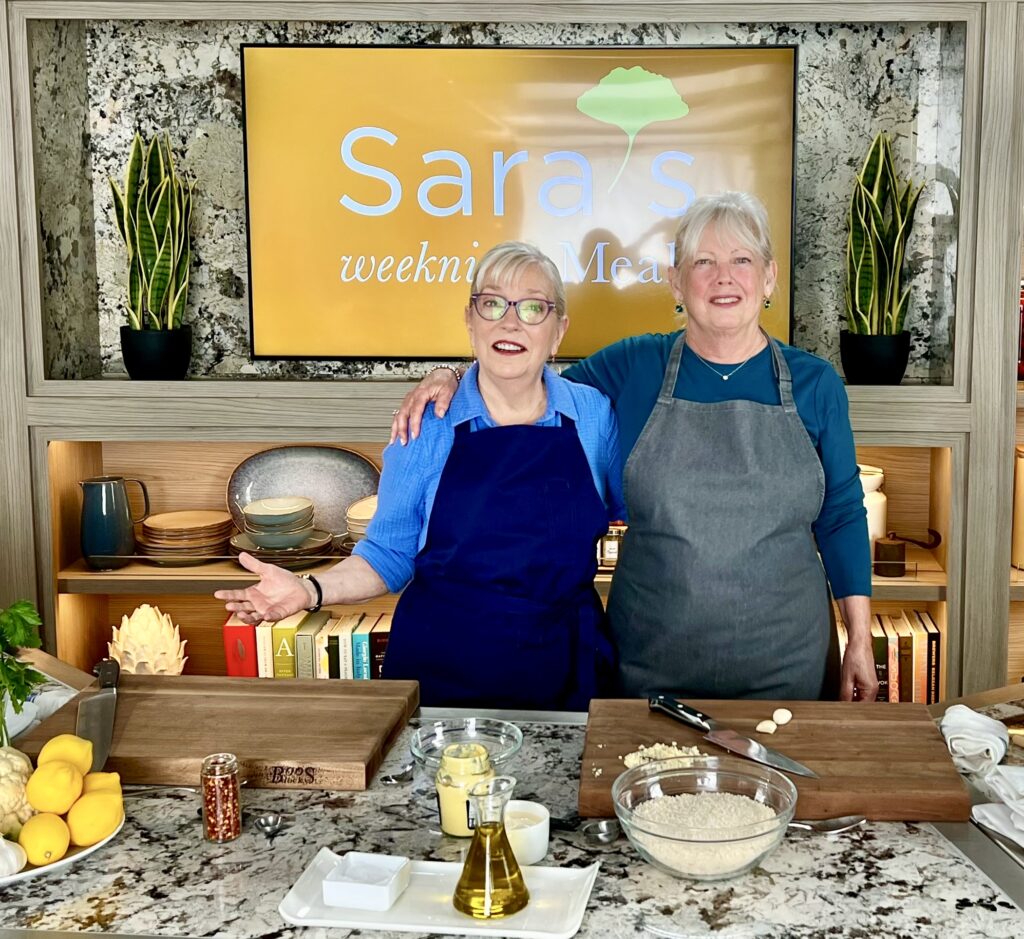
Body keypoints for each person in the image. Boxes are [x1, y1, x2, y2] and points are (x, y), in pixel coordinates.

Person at [393, 192, 879, 704]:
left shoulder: (816, 384)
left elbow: (842, 516)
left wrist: (860, 641)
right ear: (675, 281)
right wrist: (446, 375)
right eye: (703, 262)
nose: (723, 277)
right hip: (650, 658)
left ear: (769, 278)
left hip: (788, 659)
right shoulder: (632, 366)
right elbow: (519, 379)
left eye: (742, 260)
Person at [217, 241, 623, 710]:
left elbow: (628, 515)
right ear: (470, 321)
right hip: (447, 673)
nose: (510, 322)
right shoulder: (425, 424)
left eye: (533, 308)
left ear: (558, 331)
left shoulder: (592, 415)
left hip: (566, 669)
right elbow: (389, 554)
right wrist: (308, 589)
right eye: (492, 304)